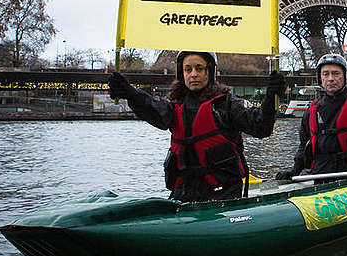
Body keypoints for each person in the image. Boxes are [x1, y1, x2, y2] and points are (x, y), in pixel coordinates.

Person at [108, 51, 284, 202]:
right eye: (188, 69)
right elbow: (151, 107)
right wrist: (129, 92)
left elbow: (261, 126)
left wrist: (271, 98)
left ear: (210, 72)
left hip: (223, 194)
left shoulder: (227, 105)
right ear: (182, 73)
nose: (193, 74)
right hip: (184, 192)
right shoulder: (174, 105)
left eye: (199, 68)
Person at [276, 53, 347, 183]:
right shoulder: (312, 110)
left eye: (336, 74)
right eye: (326, 74)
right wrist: (294, 171)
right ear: (320, 78)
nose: (331, 78)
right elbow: (304, 146)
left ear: (344, 77)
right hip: (319, 176)